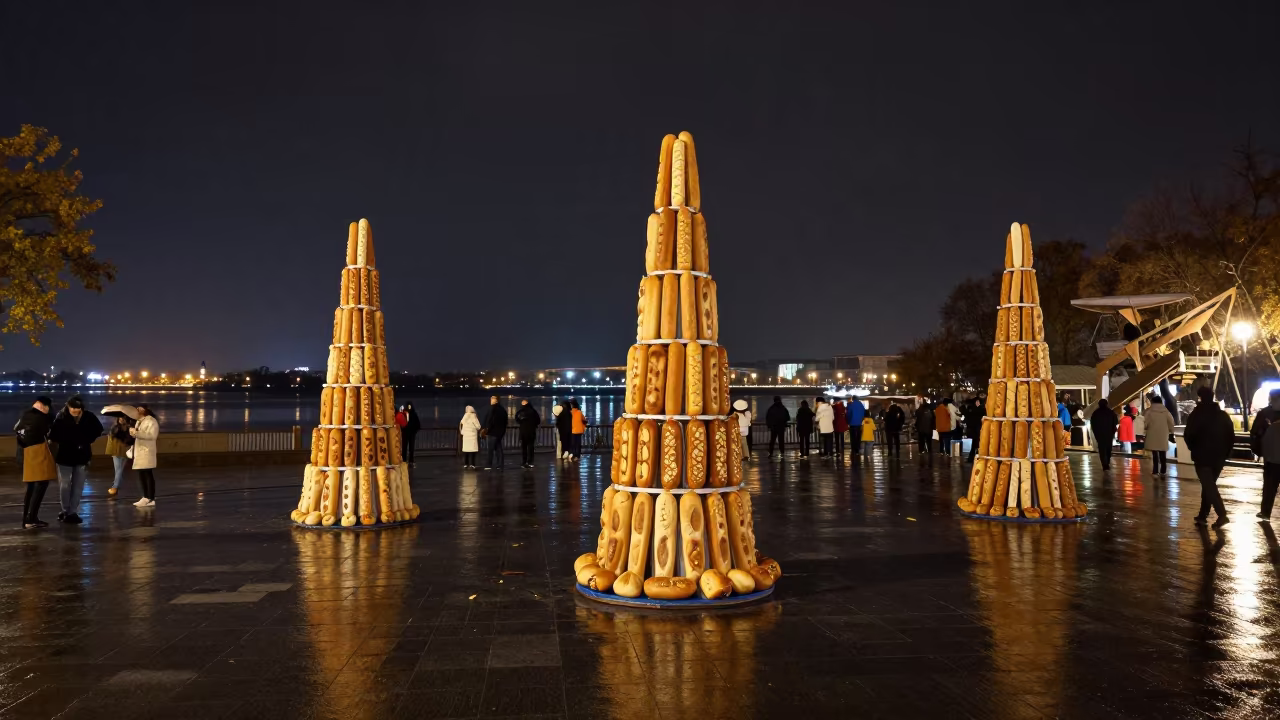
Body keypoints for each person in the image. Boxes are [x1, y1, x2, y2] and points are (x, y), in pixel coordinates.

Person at [1184, 387, 1235, 527]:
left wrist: (1193, 448)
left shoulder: (1196, 414)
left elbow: (1189, 434)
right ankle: (1202, 515)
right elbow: (1231, 436)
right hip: (1219, 457)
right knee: (1209, 484)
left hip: (1202, 456)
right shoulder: (1223, 415)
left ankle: (1222, 514)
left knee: (1208, 485)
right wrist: (1226, 452)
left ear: (1200, 397)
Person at [49, 396, 103, 524]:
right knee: (65, 485)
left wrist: (86, 439)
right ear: (68, 406)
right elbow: (53, 435)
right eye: (73, 408)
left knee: (78, 486)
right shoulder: (61, 417)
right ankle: (65, 510)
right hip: (64, 456)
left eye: (78, 408)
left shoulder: (88, 417)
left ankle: (72, 512)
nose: (75, 410)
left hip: (82, 455)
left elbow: (98, 430)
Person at [15, 396, 55, 529]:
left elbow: (17, 430)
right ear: (44, 406)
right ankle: (31, 519)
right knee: (41, 484)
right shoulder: (41, 418)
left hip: (24, 455)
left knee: (31, 488)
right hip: (37, 455)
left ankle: (27, 518)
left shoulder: (25, 415)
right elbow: (48, 432)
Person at [1251, 389, 1280, 521]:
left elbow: (1255, 432)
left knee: (1269, 486)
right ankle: (1265, 512)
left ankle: (1265, 512)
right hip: (1271, 456)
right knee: (1269, 485)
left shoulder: (1264, 413)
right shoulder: (1265, 413)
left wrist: (1259, 449)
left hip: (1271, 457)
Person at [130, 404, 159, 507]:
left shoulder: (151, 421)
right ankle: (145, 496)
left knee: (147, 474)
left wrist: (137, 433)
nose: (138, 410)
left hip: (147, 451)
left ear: (146, 410)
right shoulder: (139, 421)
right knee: (141, 474)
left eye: (140, 408)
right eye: (137, 408)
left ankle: (150, 498)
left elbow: (152, 435)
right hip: (140, 451)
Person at [1143, 393, 1175, 476]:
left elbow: (1145, 422)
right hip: (1163, 434)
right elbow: (1171, 422)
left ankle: (1155, 470)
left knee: (1155, 453)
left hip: (1152, 433)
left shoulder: (1149, 411)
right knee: (1162, 452)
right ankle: (1163, 470)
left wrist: (1145, 428)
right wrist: (1171, 432)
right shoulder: (1166, 411)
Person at [105, 415, 134, 498]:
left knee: (119, 469)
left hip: (124, 450)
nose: (121, 420)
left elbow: (130, 439)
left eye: (123, 418)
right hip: (117, 451)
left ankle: (115, 487)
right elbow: (112, 436)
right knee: (119, 469)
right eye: (120, 418)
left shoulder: (128, 428)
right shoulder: (115, 427)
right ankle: (115, 486)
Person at [1089, 399, 1119, 471]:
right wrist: (1113, 431)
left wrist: (1096, 433)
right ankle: (1107, 462)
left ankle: (1104, 464)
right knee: (1108, 449)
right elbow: (1115, 422)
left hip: (1100, 434)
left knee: (1102, 449)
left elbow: (1093, 424)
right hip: (1109, 434)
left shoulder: (1096, 413)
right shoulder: (1111, 412)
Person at [483, 396, 508, 469]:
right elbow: (505, 421)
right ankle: (500, 465)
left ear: (496, 400)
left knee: (490, 449)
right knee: (498, 448)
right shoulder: (503, 410)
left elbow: (490, 420)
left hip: (492, 432)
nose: (490, 400)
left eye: (492, 399)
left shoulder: (493, 409)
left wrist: (487, 429)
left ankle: (489, 465)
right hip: (500, 432)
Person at [515, 400, 540, 468]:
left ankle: (524, 462)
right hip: (531, 432)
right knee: (531, 447)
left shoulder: (520, 412)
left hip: (523, 432)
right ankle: (530, 462)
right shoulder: (533, 411)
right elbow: (538, 421)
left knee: (524, 448)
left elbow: (517, 419)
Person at [963, 397, 985, 463]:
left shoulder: (974, 409)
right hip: (976, 430)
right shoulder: (976, 409)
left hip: (976, 430)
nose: (977, 403)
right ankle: (975, 458)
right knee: (976, 444)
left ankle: (973, 458)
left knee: (976, 444)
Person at [402, 402, 421, 466]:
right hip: (408, 434)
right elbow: (418, 425)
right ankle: (407, 461)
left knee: (408, 448)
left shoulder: (405, 414)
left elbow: (418, 425)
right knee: (407, 448)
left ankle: (406, 461)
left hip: (408, 434)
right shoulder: (412, 414)